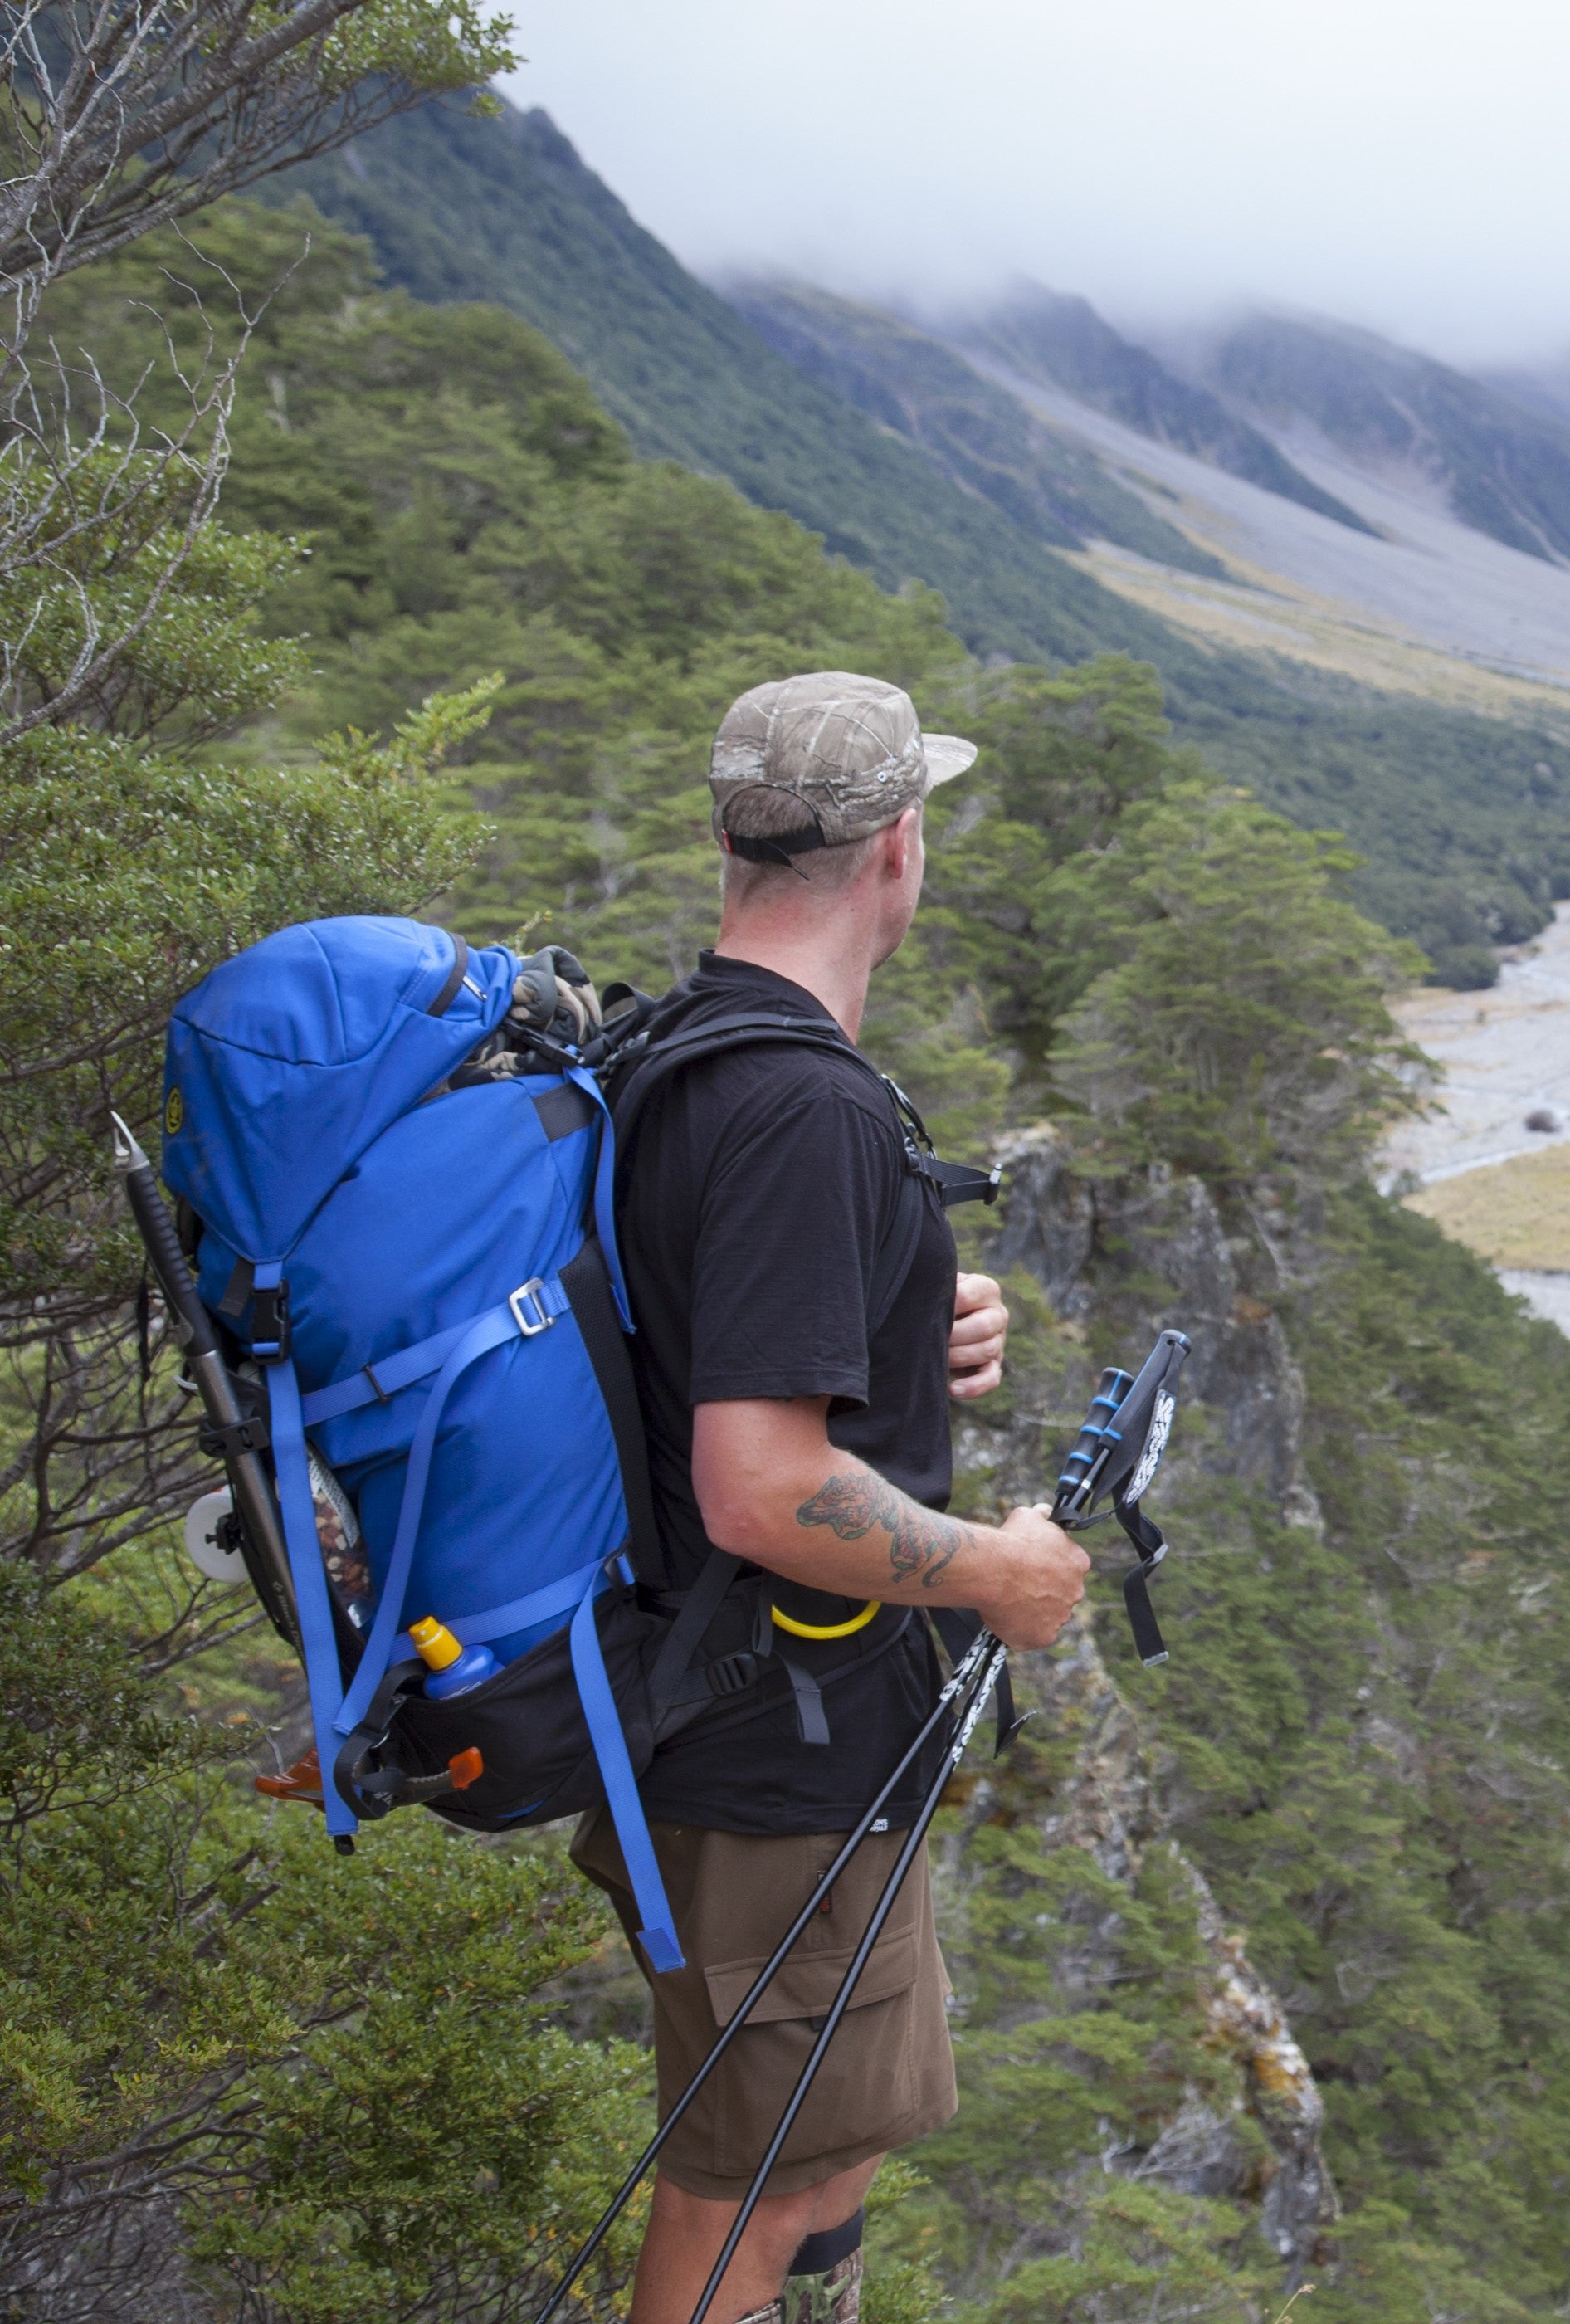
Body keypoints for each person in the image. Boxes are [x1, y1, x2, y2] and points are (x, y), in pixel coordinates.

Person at [573, 672, 1090, 2324]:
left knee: (821, 2141)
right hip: (768, 1743)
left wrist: (897, 1334)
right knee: (757, 2173)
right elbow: (760, 1482)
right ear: (895, 846)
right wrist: (995, 1573)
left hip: (746, 1719)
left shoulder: (682, 1044)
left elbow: (687, 1338)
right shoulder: (802, 1104)